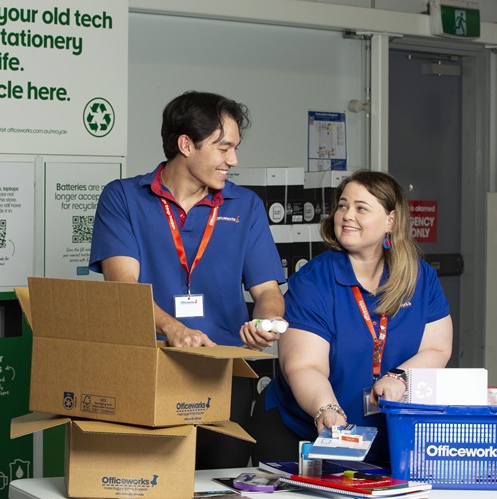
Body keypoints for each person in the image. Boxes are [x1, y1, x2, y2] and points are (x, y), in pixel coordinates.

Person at [88, 90, 287, 469]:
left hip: (224, 373)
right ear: (185, 145)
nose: (234, 160)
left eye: (235, 148)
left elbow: (267, 290)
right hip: (148, 368)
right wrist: (173, 329)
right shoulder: (123, 198)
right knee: (149, 483)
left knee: (217, 484)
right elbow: (122, 289)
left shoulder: (245, 206)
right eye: (223, 148)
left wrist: (269, 321)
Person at [250, 170, 453, 464]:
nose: (346, 215)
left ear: (390, 221)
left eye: (361, 208)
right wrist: (326, 409)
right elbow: (304, 365)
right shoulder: (313, 281)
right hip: (302, 433)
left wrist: (399, 378)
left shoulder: (420, 277)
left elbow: (437, 348)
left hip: (387, 434)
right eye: (343, 206)